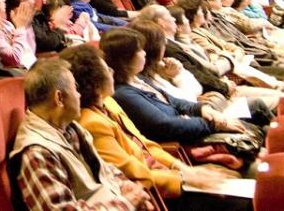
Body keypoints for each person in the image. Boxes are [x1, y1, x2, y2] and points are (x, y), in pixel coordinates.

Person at [62, 44, 248, 209]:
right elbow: (131, 172)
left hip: (165, 173)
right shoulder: (91, 123)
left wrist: (183, 168)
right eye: (106, 69)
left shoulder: (109, 102)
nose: (111, 72)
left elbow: (145, 145)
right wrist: (184, 178)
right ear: (94, 82)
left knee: (236, 181)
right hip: (154, 191)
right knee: (239, 201)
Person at [10, 59, 154, 211]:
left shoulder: (68, 128)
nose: (79, 95)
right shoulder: (36, 153)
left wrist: (126, 186)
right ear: (59, 98)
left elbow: (104, 170)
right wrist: (127, 203)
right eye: (75, 88)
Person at [101, 28, 242, 144]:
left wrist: (201, 108)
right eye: (139, 50)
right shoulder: (124, 94)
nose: (144, 53)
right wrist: (212, 124)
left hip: (195, 125)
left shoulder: (139, 79)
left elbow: (174, 101)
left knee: (255, 109)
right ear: (126, 58)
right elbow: (164, 126)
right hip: (188, 140)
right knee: (254, 113)